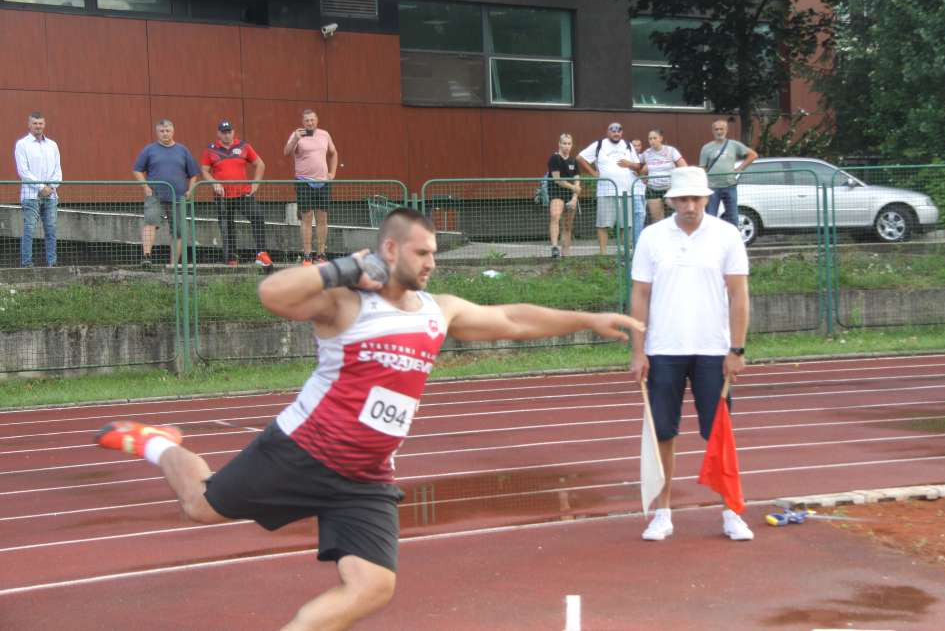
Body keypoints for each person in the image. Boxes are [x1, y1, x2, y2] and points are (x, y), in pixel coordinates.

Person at [94, 207, 642, 631]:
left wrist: (587, 318)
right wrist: (345, 268)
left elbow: (511, 319)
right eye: (423, 253)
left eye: (435, 255)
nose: (432, 263)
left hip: (366, 476)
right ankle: (159, 443)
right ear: (389, 248)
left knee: (373, 586)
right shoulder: (346, 303)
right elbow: (271, 293)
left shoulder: (438, 310)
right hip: (299, 453)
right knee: (200, 506)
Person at [629, 166, 754, 543]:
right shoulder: (652, 237)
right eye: (681, 199)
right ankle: (662, 513)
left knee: (719, 434)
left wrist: (737, 348)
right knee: (662, 434)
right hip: (663, 349)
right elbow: (639, 295)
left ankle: (731, 511)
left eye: (695, 198)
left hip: (713, 351)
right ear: (670, 201)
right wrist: (638, 351)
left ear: (706, 198)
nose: (688, 205)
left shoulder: (727, 235)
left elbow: (739, 295)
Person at [200, 120, 273, 268]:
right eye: (223, 132)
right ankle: (231, 258)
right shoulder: (211, 150)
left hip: (243, 193)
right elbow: (204, 171)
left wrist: (255, 184)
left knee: (257, 217)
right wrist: (214, 183)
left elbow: (260, 164)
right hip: (222, 196)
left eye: (229, 132)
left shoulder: (243, 146)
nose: (227, 135)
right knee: (227, 226)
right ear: (218, 133)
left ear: (233, 132)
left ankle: (261, 254)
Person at [132, 119, 200, 267]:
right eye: (162, 131)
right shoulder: (149, 150)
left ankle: (173, 265)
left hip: (178, 197)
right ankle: (146, 257)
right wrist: (145, 187)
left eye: (167, 130)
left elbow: (194, 173)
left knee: (179, 231)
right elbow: (137, 169)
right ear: (157, 133)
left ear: (173, 131)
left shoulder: (183, 150)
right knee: (150, 222)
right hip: (155, 195)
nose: (165, 133)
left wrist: (191, 189)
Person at [284, 109, 339, 266]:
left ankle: (321, 253)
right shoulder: (297, 135)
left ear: (317, 120)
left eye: (312, 119)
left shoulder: (324, 134)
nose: (310, 122)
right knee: (307, 217)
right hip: (304, 181)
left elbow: (334, 153)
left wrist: (332, 173)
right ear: (303, 122)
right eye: (307, 120)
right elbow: (286, 152)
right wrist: (295, 138)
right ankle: (307, 255)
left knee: (322, 217)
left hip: (323, 181)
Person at [576, 122, 641, 255]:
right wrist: (593, 173)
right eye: (613, 130)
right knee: (603, 224)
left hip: (626, 192)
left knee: (626, 225)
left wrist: (629, 164)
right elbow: (580, 157)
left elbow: (638, 166)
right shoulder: (599, 144)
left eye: (618, 131)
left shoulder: (628, 145)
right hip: (606, 191)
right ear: (608, 132)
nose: (616, 133)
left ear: (622, 132)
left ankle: (625, 255)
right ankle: (603, 254)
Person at [14, 111, 61, 268]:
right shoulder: (22, 145)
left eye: (40, 123)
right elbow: (23, 171)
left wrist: (51, 187)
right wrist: (41, 187)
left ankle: (52, 264)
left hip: (51, 196)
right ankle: (27, 264)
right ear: (29, 125)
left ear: (44, 124)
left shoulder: (52, 145)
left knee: (51, 231)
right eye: (35, 123)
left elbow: (58, 170)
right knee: (29, 231)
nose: (38, 126)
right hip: (30, 196)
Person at [699, 119, 757, 227]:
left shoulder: (734, 145)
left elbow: (753, 155)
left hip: (730, 185)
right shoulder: (706, 148)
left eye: (721, 129)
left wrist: (740, 168)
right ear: (712, 131)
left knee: (733, 217)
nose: (719, 132)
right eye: (716, 129)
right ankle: (710, 241)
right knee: (710, 217)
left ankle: (733, 241)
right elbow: (702, 168)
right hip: (712, 187)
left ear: (726, 130)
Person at [639, 129, 687, 224]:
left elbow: (684, 167)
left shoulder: (671, 151)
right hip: (653, 189)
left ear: (660, 138)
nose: (652, 141)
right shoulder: (646, 153)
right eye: (650, 139)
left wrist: (677, 183)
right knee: (657, 220)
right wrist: (643, 178)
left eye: (654, 138)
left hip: (669, 188)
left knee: (677, 216)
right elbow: (639, 167)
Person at [546, 133, 581, 258]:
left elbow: (577, 179)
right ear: (559, 144)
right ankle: (555, 247)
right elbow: (557, 180)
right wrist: (573, 187)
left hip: (571, 196)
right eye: (564, 143)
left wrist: (574, 197)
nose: (567, 146)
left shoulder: (574, 161)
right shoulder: (554, 158)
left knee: (568, 225)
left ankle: (566, 253)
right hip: (557, 193)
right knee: (555, 216)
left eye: (569, 143)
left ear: (572, 145)